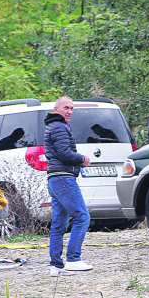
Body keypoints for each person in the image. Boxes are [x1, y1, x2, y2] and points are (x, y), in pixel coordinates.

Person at [44, 97, 93, 277]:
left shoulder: (55, 125)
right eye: (66, 108)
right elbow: (65, 153)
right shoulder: (59, 126)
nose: (69, 111)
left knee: (59, 223)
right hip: (63, 178)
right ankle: (73, 259)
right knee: (82, 217)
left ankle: (56, 266)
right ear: (56, 108)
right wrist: (82, 159)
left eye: (72, 108)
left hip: (55, 179)